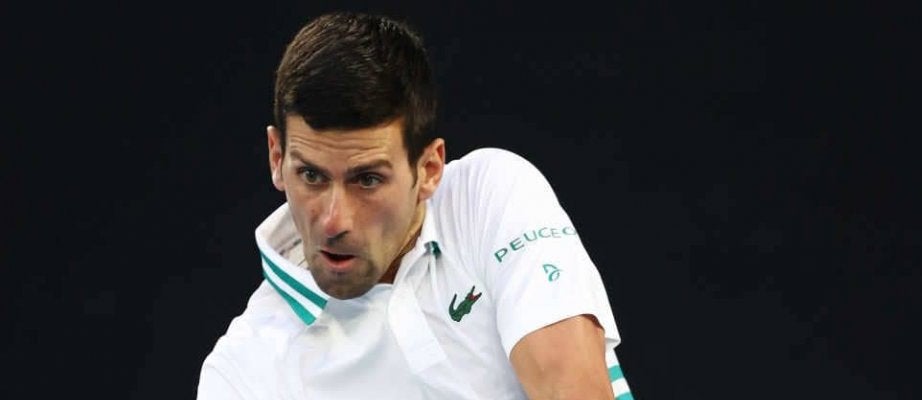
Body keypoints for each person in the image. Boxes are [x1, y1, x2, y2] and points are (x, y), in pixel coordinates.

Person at [196, 11, 634, 400]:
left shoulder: (487, 196)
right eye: (311, 176)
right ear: (276, 158)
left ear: (428, 169)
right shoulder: (241, 376)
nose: (333, 221)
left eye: (367, 180)